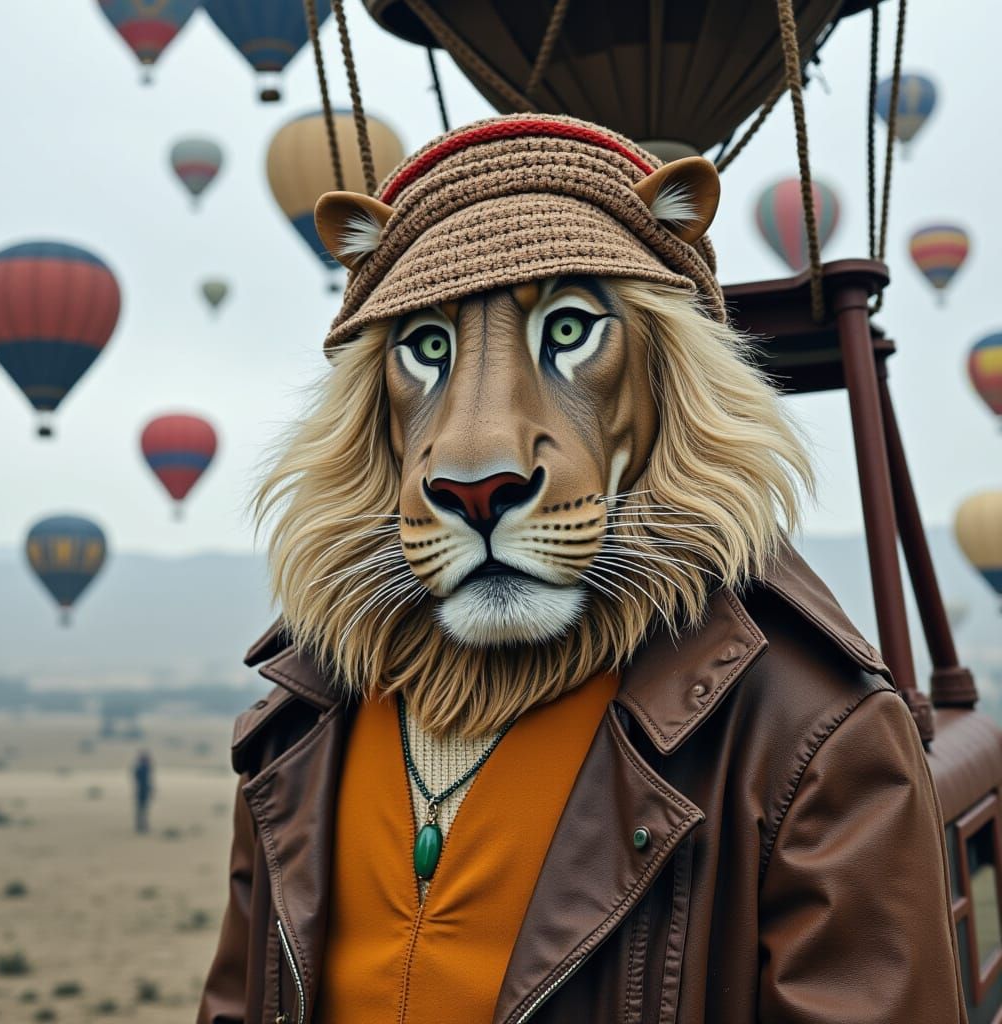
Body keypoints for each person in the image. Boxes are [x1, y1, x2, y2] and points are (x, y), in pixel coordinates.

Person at [199, 115, 966, 1023]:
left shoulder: (812, 734)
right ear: (373, 416)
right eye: (426, 350)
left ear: (674, 389)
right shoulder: (301, 726)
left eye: (572, 329)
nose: (478, 470)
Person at [132, 749, 153, 833]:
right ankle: (141, 826)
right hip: (141, 791)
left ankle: (142, 825)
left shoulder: (145, 768)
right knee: (141, 809)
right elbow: (141, 780)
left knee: (143, 809)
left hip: (143, 791)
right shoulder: (141, 769)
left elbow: (148, 781)